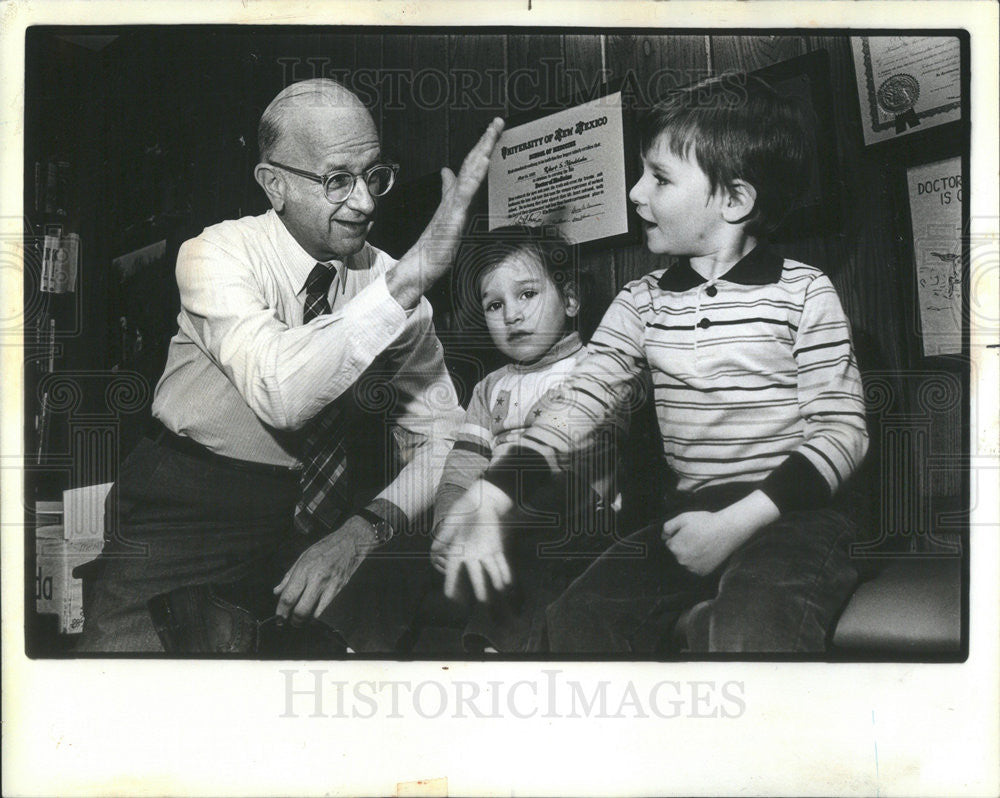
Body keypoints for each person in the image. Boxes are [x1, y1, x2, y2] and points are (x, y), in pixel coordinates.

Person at [435, 73, 869, 653]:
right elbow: (578, 403)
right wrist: (492, 495)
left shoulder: (804, 292)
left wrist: (736, 524)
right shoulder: (640, 301)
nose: (636, 193)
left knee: (750, 637)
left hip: (795, 517)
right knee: (575, 624)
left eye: (659, 178)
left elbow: (844, 432)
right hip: (687, 519)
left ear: (735, 200)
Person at [77, 78, 503, 652]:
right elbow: (280, 389)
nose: (365, 202)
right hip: (187, 502)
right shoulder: (216, 254)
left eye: (374, 174)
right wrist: (405, 282)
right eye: (336, 181)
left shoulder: (396, 290)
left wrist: (366, 528)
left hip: (316, 516)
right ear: (273, 184)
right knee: (118, 684)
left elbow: (443, 435)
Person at [430, 225, 617, 652]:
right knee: (396, 553)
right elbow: (462, 466)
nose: (511, 314)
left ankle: (499, 652)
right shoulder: (490, 387)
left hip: (575, 516)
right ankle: (356, 649)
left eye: (527, 294)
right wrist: (446, 522)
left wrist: (498, 520)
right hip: (489, 518)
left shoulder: (597, 369)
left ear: (570, 300)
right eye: (495, 304)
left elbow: (587, 472)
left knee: (533, 548)